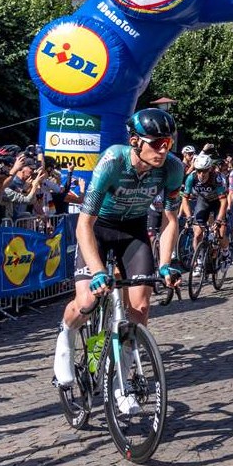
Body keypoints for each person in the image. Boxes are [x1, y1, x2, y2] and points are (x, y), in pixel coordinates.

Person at [52, 109, 184, 404]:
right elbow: (84, 223)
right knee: (87, 300)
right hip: (99, 229)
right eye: (156, 142)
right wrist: (98, 271)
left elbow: (170, 220)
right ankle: (66, 336)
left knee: (140, 309)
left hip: (133, 232)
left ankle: (121, 381)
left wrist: (165, 263)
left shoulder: (173, 168)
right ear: (135, 141)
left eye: (168, 142)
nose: (163, 149)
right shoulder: (113, 161)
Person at [182, 153, 226, 273]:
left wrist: (218, 220)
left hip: (217, 202)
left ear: (210, 169)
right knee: (197, 233)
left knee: (221, 233)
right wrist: (188, 216)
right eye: (199, 171)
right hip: (203, 202)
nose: (201, 174)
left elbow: (223, 201)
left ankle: (226, 252)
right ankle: (199, 260)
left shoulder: (216, 178)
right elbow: (184, 198)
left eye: (204, 171)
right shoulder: (192, 177)